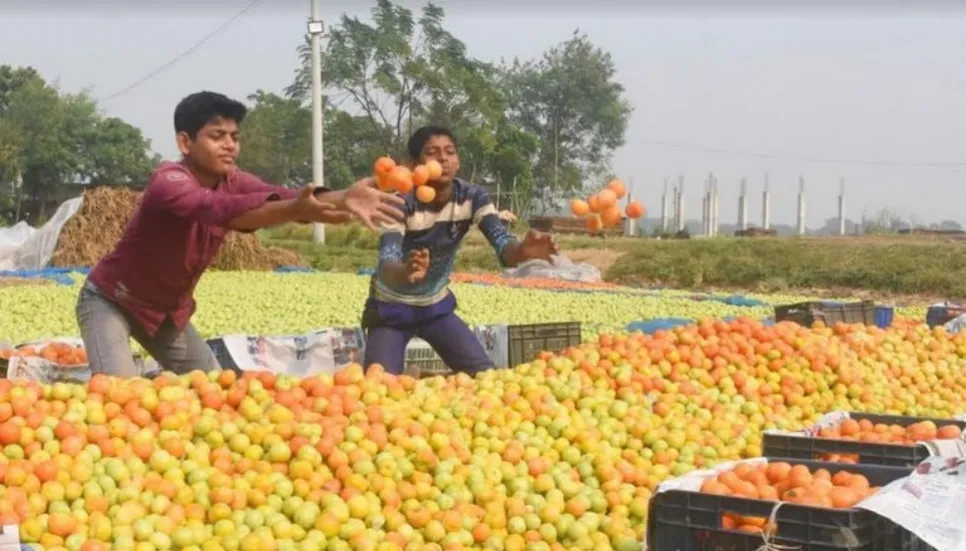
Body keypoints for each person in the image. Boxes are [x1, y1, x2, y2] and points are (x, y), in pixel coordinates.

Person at [77, 91, 405, 378]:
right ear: (185, 142)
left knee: (216, 388)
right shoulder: (169, 182)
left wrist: (345, 196)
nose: (230, 145)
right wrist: (299, 210)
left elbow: (283, 195)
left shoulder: (234, 180)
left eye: (234, 136)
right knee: (116, 395)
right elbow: (218, 210)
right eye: (217, 135)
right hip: (112, 300)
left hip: (166, 313)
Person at [363, 125, 559, 376]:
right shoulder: (399, 203)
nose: (443, 158)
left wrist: (523, 250)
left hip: (435, 307)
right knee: (380, 387)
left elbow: (502, 244)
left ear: (458, 161)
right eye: (432, 153)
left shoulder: (472, 197)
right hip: (392, 309)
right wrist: (407, 271)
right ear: (414, 165)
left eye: (450, 152)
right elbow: (387, 264)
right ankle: (417, 376)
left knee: (484, 377)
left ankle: (424, 377)